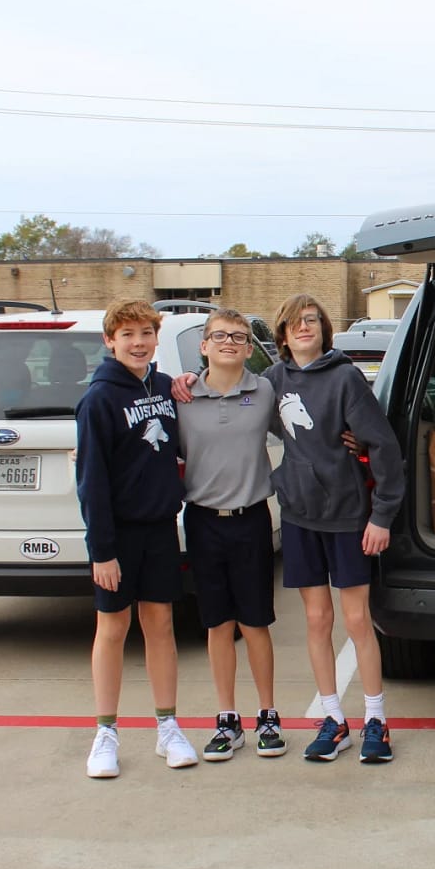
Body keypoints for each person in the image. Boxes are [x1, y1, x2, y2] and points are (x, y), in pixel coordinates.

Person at [263, 294, 406, 764]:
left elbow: (383, 447)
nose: (305, 328)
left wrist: (381, 515)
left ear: (324, 330)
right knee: (317, 620)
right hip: (300, 517)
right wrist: (188, 382)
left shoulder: (345, 378)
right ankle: (333, 719)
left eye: (313, 321)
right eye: (295, 323)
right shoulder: (272, 382)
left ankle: (376, 721)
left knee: (357, 621)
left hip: (348, 518)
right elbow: (231, 403)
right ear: (282, 336)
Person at [75, 299, 195, 779]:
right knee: (113, 628)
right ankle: (106, 732)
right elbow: (91, 481)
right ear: (109, 341)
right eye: (127, 335)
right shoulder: (98, 399)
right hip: (117, 535)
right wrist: (101, 550)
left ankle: (168, 726)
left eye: (146, 332)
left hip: (161, 527)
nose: (138, 342)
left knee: (160, 625)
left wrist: (185, 382)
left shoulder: (164, 387)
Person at [176, 309, 286, 762]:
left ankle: (267, 715)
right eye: (219, 336)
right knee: (217, 624)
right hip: (203, 521)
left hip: (251, 519)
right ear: (203, 346)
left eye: (238, 337)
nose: (229, 342)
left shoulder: (263, 392)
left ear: (247, 349)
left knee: (254, 622)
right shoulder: (180, 396)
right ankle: (227, 719)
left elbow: (299, 432)